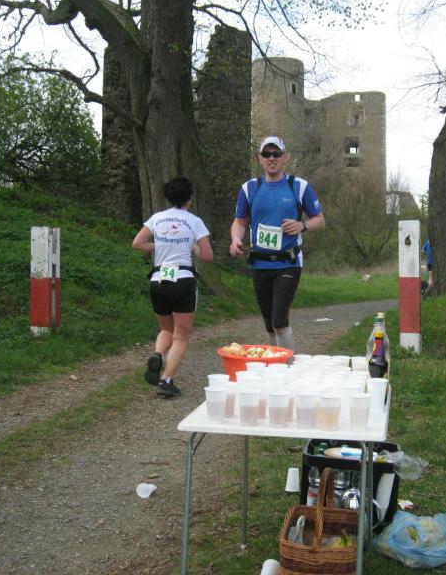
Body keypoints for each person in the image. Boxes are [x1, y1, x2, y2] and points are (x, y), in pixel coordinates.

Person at [229, 136, 325, 350]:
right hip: (259, 263)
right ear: (259, 158)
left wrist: (302, 225)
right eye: (266, 154)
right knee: (270, 326)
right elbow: (239, 222)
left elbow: (320, 220)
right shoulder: (249, 188)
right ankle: (274, 362)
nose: (271, 158)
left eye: (276, 154)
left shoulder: (298, 186)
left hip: (288, 262)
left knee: (280, 321)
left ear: (285, 158)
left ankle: (287, 364)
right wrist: (236, 240)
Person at [132, 177, 213, 397]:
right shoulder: (194, 221)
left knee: (166, 329)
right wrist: (193, 246)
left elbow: (137, 243)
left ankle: (158, 355)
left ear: (168, 197)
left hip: (158, 279)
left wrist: (159, 245)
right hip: (183, 278)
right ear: (190, 198)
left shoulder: (157, 218)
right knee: (181, 336)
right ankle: (166, 380)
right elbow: (207, 255)